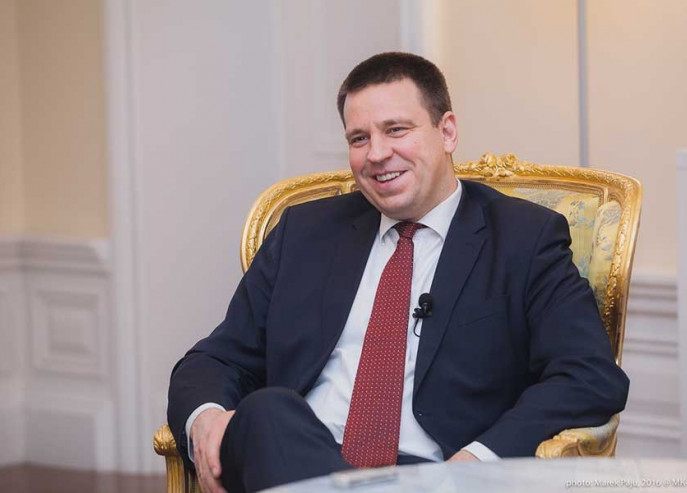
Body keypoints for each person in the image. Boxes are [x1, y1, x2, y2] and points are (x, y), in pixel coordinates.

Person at [167, 52, 629, 493]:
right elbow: (215, 360)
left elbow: (588, 374)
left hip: (434, 476)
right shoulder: (304, 233)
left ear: (447, 132)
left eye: (396, 130)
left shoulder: (523, 238)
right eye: (359, 138)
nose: (377, 153)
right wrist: (206, 419)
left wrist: (476, 462)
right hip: (298, 458)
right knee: (267, 413)